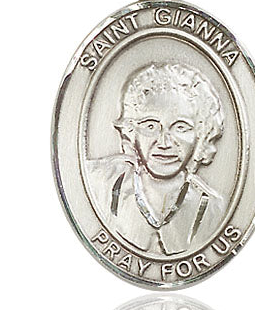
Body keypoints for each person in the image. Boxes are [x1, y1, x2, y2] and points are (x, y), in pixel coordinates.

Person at [85, 63, 226, 255]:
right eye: (150, 126)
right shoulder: (98, 184)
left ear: (201, 135)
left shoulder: (213, 210)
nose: (164, 142)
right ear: (131, 132)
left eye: (180, 127)